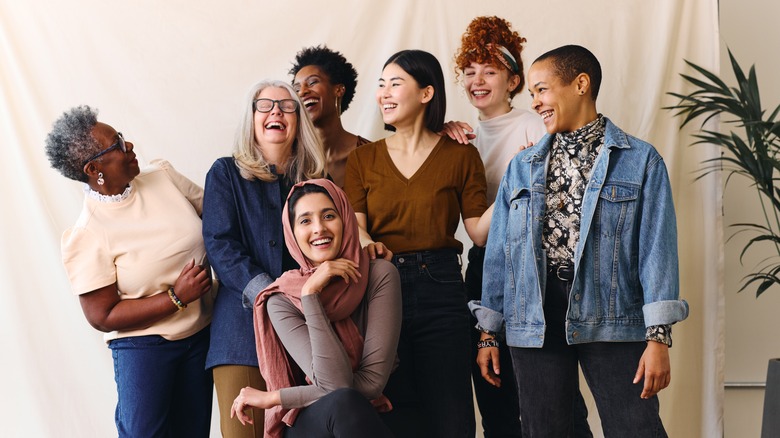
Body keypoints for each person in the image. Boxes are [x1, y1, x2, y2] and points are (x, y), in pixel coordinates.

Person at [470, 45, 689, 438]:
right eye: (532, 95)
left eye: (541, 90)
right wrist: (489, 331)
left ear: (581, 84)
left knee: (635, 428)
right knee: (546, 431)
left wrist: (658, 337)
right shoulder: (522, 166)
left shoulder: (640, 160)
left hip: (613, 313)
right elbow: (500, 254)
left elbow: (657, 250)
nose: (535, 103)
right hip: (533, 318)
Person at [448, 16, 592, 438]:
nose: (478, 80)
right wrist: (439, 135)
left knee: (554, 397)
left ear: (513, 80)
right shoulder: (459, 136)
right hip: (483, 267)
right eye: (470, 71)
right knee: (493, 393)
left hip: (532, 266)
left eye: (490, 71)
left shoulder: (537, 124)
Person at [45, 105, 214, 437]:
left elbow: (219, 219)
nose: (130, 146)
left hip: (202, 333)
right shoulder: (87, 234)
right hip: (144, 348)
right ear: (94, 169)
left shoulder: (162, 176)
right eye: (118, 144)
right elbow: (102, 315)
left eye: (121, 137)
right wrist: (176, 298)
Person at [344, 49, 487, 438]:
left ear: (426, 93)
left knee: (451, 414)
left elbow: (478, 232)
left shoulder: (461, 156)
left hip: (442, 286)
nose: (384, 93)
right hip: (380, 286)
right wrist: (368, 242)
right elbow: (355, 227)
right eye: (380, 84)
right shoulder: (363, 159)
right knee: (392, 410)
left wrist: (515, 183)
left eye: (395, 83)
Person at [230, 178, 401, 438]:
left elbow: (371, 383)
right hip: (312, 421)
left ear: (345, 218)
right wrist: (310, 293)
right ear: (292, 233)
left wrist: (275, 398)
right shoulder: (281, 298)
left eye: (329, 215)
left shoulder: (379, 274)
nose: (319, 229)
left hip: (363, 411)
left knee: (349, 404)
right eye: (305, 221)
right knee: (344, 404)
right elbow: (338, 387)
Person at [202, 80, 326, 437]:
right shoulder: (225, 173)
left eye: (288, 106)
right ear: (252, 118)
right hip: (239, 336)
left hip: (306, 330)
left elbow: (329, 244)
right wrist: (268, 292)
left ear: (299, 120)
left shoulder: (316, 181)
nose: (277, 112)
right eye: (266, 105)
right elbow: (219, 243)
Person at [290, 45, 371, 187]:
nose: (302, 92)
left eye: (312, 82)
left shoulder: (370, 154)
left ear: (339, 90)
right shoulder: (290, 158)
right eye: (296, 89)